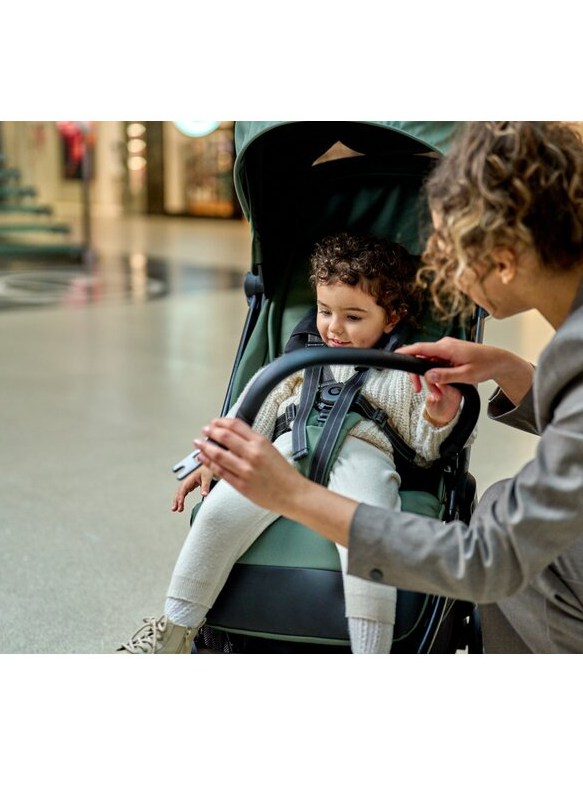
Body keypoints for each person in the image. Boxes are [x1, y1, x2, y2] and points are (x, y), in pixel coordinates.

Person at [194, 121, 583, 653]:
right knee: (508, 507)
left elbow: (489, 561)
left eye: (450, 252)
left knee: (520, 550)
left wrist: (293, 494)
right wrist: (506, 367)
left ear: (504, 260)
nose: (442, 270)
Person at [118, 231, 465, 654]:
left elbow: (425, 450)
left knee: (368, 541)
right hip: (284, 453)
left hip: (364, 456)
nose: (334, 328)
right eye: (324, 311)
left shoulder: (404, 373)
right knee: (217, 515)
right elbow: (249, 413)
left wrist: (438, 416)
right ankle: (174, 630)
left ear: (391, 319)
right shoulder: (298, 361)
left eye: (353, 317)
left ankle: (371, 652)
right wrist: (212, 456)